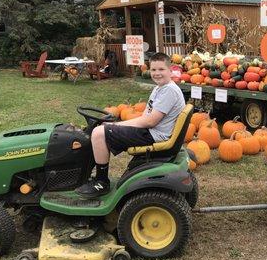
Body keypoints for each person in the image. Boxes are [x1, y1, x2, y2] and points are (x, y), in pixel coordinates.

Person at [76, 52, 186, 198]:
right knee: (103, 129)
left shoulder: (169, 91)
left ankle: (101, 182)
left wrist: (118, 125)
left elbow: (149, 121)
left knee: (98, 133)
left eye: (161, 69)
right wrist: (117, 124)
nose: (157, 73)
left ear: (170, 70)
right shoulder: (162, 88)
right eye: (153, 70)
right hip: (153, 131)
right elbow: (147, 117)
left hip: (154, 135)